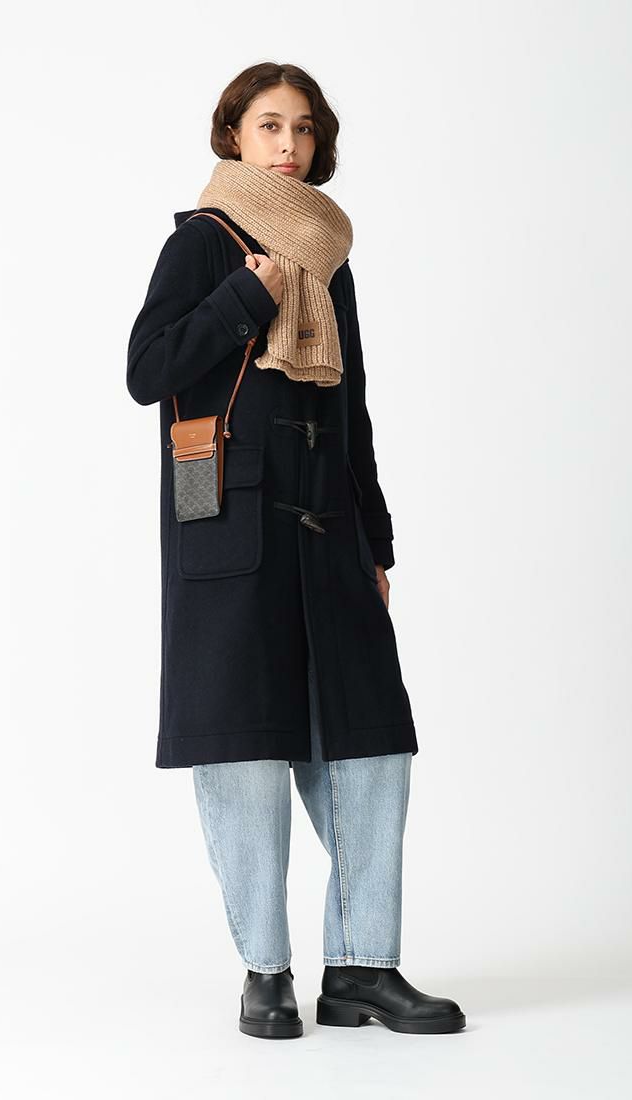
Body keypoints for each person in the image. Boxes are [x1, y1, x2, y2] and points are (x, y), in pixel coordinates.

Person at [126, 61, 465, 1039]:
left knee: (369, 744)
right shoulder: (202, 243)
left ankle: (362, 966)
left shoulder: (327, 254)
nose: (288, 144)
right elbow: (147, 370)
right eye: (269, 124)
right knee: (244, 748)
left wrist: (375, 541)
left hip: (327, 530)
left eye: (304, 128)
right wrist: (243, 295)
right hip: (228, 529)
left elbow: (350, 410)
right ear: (233, 134)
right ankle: (265, 971)